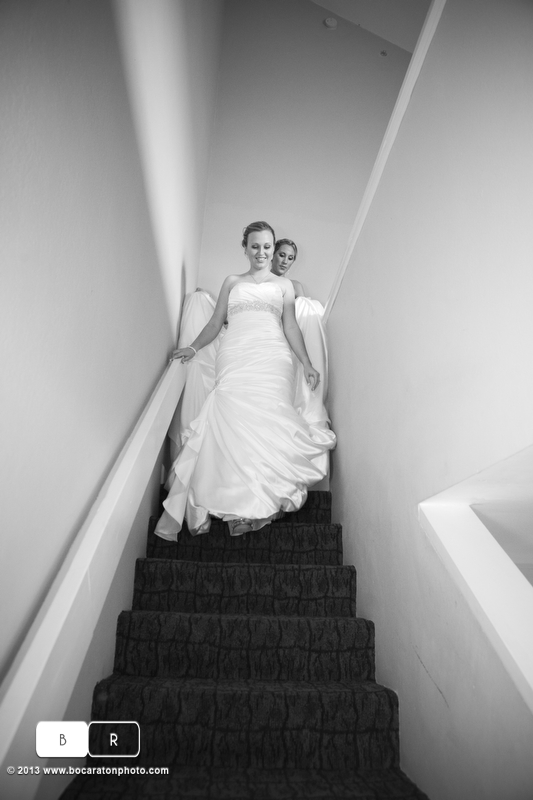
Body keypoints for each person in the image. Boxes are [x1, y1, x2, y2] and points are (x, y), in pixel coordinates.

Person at [155, 221, 336, 540]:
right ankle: (234, 504)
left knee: (265, 422)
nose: (262, 252)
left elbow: (290, 326)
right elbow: (215, 323)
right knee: (232, 420)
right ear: (245, 248)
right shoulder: (232, 281)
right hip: (235, 354)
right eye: (255, 246)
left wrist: (307, 363)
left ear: (272, 247)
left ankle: (256, 504)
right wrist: (193, 347)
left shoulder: (285, 286)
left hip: (272, 356)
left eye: (267, 246)